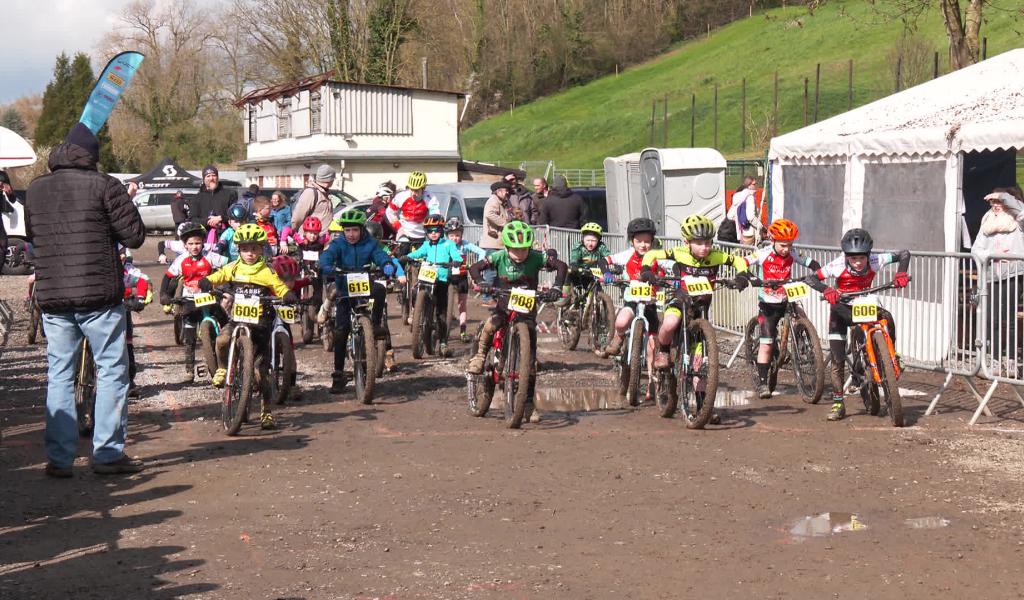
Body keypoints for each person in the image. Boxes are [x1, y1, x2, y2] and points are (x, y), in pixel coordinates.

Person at [25, 122, 146, 477]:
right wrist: (125, 200)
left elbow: (33, 234)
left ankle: (59, 459)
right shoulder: (104, 185)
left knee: (59, 375)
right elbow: (134, 237)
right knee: (111, 372)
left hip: (54, 297)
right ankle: (107, 454)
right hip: (98, 297)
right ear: (91, 156)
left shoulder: (36, 189)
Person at [804, 228, 910, 422]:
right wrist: (826, 289)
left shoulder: (876, 260)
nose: (858, 262)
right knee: (837, 359)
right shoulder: (837, 265)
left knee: (887, 317)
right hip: (841, 311)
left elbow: (904, 254)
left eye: (862, 258)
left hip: (864, 305)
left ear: (868, 255)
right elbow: (811, 278)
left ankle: (892, 355)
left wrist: (901, 273)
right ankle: (838, 404)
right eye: (853, 258)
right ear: (846, 256)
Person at [198, 224, 298, 429]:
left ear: (261, 249)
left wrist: (287, 294)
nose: (250, 253)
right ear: (238, 250)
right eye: (245, 249)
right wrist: (208, 280)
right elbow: (220, 275)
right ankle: (223, 368)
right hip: (238, 319)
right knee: (222, 340)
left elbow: (278, 286)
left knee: (261, 373)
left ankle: (266, 410)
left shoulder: (267, 271)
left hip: (260, 324)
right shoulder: (234, 267)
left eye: (254, 249)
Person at [319, 208, 406, 393]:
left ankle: (374, 324)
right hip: (344, 289)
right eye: (347, 230)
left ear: (361, 229)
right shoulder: (337, 244)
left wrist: (386, 264)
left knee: (380, 290)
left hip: (365, 285)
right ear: (343, 230)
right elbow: (327, 256)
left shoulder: (370, 243)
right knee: (341, 331)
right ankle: (338, 374)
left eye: (355, 230)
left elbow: (380, 255)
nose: (351, 234)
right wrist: (326, 265)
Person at [466, 221, 567, 375]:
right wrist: (481, 282)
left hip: (528, 306)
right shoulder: (498, 256)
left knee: (531, 331)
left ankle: (529, 365)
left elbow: (561, 266)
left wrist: (557, 287)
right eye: (515, 250)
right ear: (507, 248)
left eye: (523, 250)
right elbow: (475, 268)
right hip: (504, 303)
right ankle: (479, 356)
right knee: (490, 325)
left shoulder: (537, 257)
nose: (519, 254)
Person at [736, 219, 821, 399]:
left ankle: (804, 341)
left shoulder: (792, 253)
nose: (786, 249)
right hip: (768, 303)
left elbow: (807, 261)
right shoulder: (763, 253)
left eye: (790, 245)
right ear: (773, 240)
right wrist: (747, 275)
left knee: (801, 314)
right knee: (767, 343)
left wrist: (817, 269)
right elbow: (743, 261)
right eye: (783, 245)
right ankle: (762, 382)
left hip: (786, 297)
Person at [159, 222, 228, 383]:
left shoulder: (210, 257)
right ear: (185, 245)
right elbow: (168, 277)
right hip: (189, 299)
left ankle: (227, 348)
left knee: (221, 318)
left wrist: (226, 285)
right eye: (190, 244)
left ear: (203, 243)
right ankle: (189, 370)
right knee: (189, 338)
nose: (194, 247)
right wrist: (164, 295)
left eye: (197, 243)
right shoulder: (181, 260)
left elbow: (229, 265)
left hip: (208, 297)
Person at [971, 187, 1024, 374]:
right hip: (991, 276)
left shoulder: (1017, 221)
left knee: (1009, 319)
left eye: (999, 202)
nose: (996, 205)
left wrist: (1003, 196)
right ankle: (994, 360)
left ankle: (1011, 360)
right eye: (993, 202)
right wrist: (992, 253)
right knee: (991, 319)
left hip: (1012, 274)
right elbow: (976, 249)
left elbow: (1020, 210)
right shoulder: (987, 222)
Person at [404, 214, 464, 357]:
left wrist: (456, 261)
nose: (433, 233)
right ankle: (417, 314)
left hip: (441, 280)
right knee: (415, 291)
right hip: (426, 278)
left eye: (436, 230)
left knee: (441, 312)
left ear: (442, 231)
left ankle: (443, 343)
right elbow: (417, 253)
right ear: (426, 232)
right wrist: (407, 257)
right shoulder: (426, 245)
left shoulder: (448, 244)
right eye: (430, 231)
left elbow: (456, 256)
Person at [445, 217, 487, 342]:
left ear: (462, 235)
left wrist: (476, 265)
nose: (455, 238)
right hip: (447, 277)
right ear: (447, 236)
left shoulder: (465, 244)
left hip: (462, 277)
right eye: (452, 235)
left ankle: (463, 331)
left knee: (462, 304)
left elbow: (482, 252)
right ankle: (441, 328)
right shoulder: (444, 245)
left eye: (457, 235)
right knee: (443, 302)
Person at [385, 171, 440, 256]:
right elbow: (390, 212)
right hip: (405, 233)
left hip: (422, 235)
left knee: (421, 259)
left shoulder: (430, 197)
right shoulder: (401, 196)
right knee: (402, 255)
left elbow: (435, 215)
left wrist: (432, 228)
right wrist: (399, 228)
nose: (413, 193)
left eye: (416, 190)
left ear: (423, 188)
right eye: (411, 189)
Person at [566, 222, 612, 303]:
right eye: (588, 240)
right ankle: (569, 295)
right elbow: (574, 258)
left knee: (598, 291)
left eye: (593, 241)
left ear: (598, 240)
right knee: (569, 272)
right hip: (578, 272)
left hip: (592, 273)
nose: (590, 244)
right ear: (583, 239)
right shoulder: (579, 247)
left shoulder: (601, 247)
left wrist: (616, 265)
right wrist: (574, 264)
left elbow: (609, 257)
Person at [291, 164, 337, 234]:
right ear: (329, 179)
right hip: (311, 237)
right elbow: (297, 218)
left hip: (323, 238)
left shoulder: (324, 193)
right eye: (333, 178)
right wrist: (295, 233)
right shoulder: (310, 193)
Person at [192, 165, 237, 235]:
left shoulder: (230, 194)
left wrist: (221, 218)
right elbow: (192, 219)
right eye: (208, 176)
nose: (211, 178)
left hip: (226, 234)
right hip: (204, 235)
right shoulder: (197, 197)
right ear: (204, 179)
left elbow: (235, 214)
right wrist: (208, 221)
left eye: (214, 175)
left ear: (217, 178)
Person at [728, 176, 762, 246]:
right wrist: (761, 226)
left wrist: (740, 221)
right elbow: (751, 217)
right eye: (754, 184)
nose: (755, 185)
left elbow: (730, 216)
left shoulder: (738, 196)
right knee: (749, 252)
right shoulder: (750, 197)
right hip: (750, 232)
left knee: (743, 251)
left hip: (741, 232)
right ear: (748, 185)